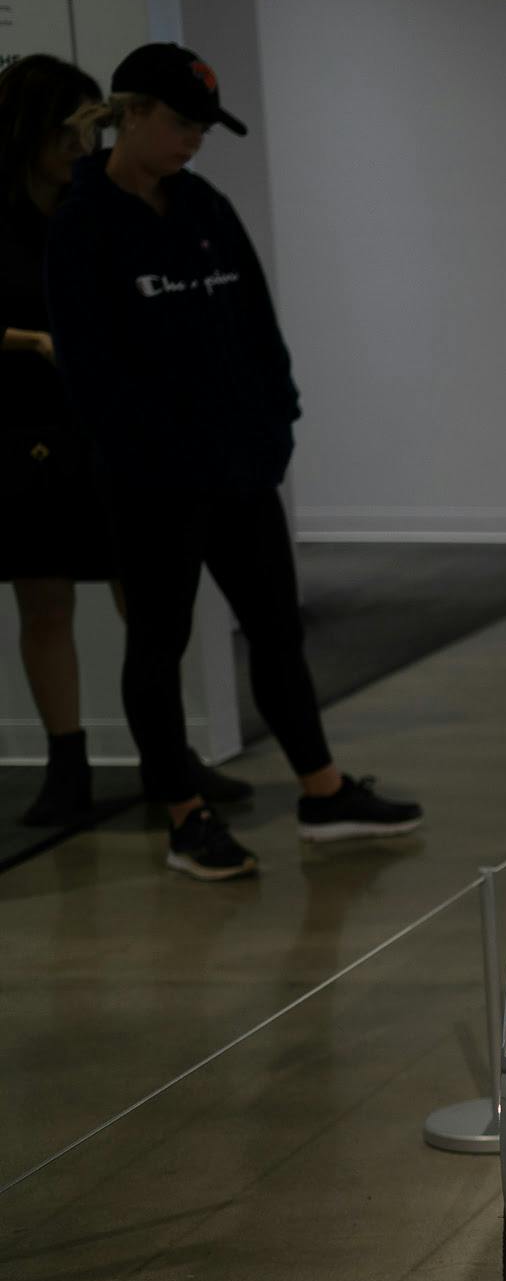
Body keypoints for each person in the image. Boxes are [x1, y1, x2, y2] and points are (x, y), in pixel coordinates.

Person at [48, 42, 420, 880]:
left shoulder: (204, 206)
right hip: (153, 483)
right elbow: (89, 367)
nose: (193, 141)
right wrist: (150, 453)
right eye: (181, 123)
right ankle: (185, 816)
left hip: (241, 470)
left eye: (202, 129)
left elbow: (257, 323)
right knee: (159, 641)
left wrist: (274, 423)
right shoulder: (83, 225)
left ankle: (322, 793)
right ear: (131, 113)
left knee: (277, 632)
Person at [2, 55, 118, 830]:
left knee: (148, 595)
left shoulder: (94, 207)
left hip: (105, 421)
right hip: (24, 429)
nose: (84, 149)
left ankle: (170, 751)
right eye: (70, 133)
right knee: (44, 602)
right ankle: (66, 763)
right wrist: (34, 342)